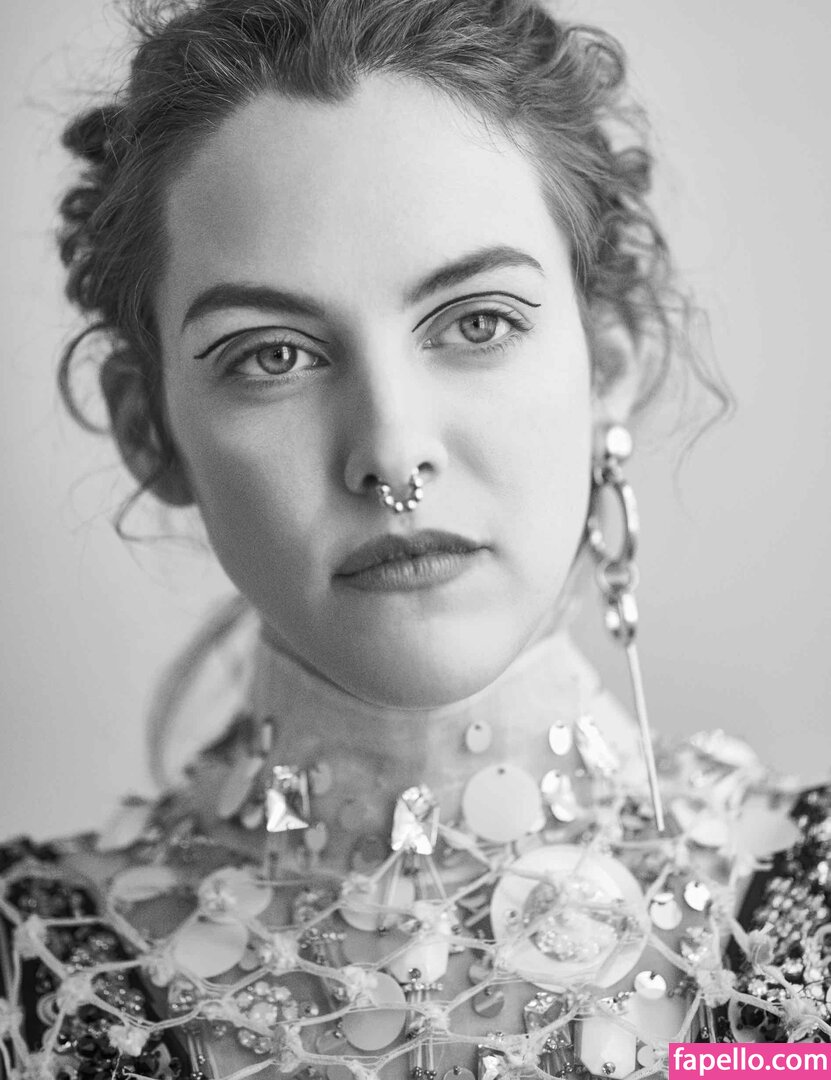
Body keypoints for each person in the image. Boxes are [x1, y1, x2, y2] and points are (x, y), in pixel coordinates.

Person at [1, 1, 829, 1077]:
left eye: (478, 323)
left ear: (610, 362)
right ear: (149, 430)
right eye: (272, 355)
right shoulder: (30, 974)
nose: (391, 455)